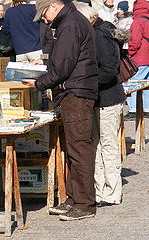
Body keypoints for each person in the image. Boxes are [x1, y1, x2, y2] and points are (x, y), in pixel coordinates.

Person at [23, 0, 98, 220]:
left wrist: (39, 83)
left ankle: (85, 204)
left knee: (79, 148)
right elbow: (62, 62)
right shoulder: (69, 22)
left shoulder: (70, 24)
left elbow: (64, 66)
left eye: (44, 14)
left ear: (54, 6)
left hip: (76, 92)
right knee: (74, 148)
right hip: (74, 91)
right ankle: (75, 199)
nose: (44, 20)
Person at [75, 2, 126, 207]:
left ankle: (112, 192)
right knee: (98, 144)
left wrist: (88, 85)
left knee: (107, 145)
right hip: (101, 97)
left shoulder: (99, 35)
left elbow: (109, 69)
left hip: (107, 98)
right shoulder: (100, 31)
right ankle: (101, 190)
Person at [126, 0, 149, 119]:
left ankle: (132, 110)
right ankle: (147, 108)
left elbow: (134, 40)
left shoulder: (138, 21)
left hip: (140, 57)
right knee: (146, 85)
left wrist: (130, 53)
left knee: (132, 83)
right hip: (148, 57)